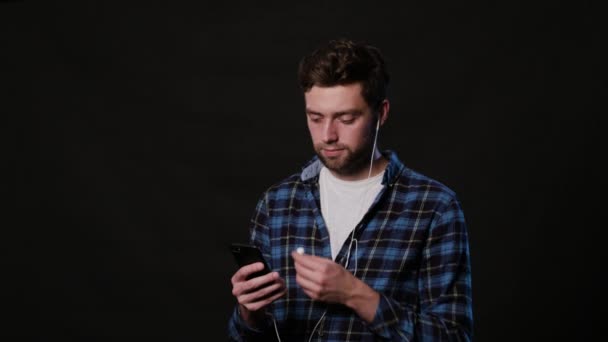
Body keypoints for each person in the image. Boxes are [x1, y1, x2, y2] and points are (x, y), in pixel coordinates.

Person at [228, 39, 473, 341]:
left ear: (381, 113)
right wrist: (249, 315)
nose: (328, 135)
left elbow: (454, 336)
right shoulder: (277, 204)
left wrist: (356, 294)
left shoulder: (433, 207)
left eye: (346, 118)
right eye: (315, 118)